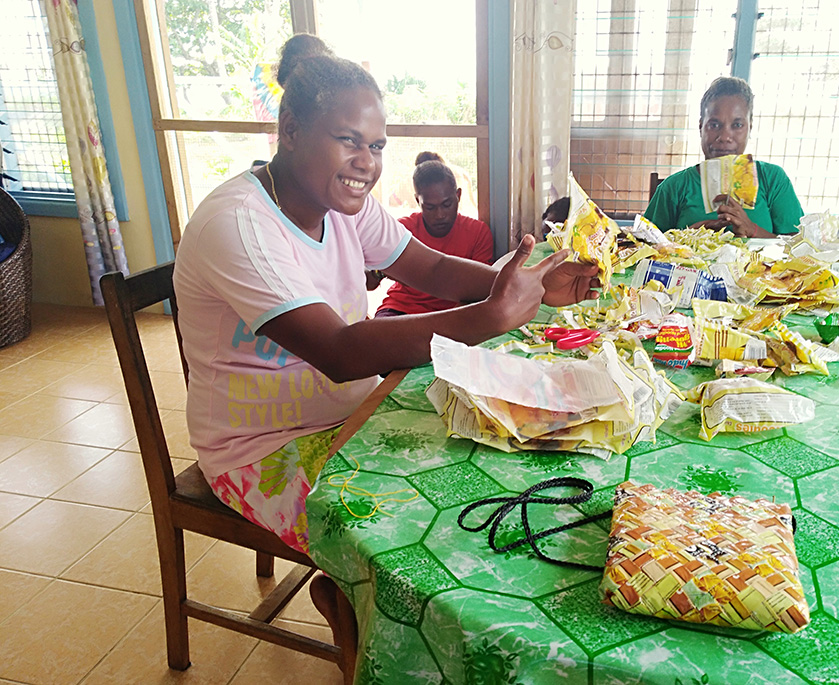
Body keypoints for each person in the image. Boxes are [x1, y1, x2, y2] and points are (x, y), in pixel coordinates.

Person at [172, 35, 598, 634]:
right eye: (348, 140)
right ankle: (361, 615)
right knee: (410, 537)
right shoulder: (238, 224)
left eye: (376, 146)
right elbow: (340, 353)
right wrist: (489, 318)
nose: (366, 163)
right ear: (289, 129)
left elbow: (434, 268)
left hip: (353, 412)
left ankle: (359, 601)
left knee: (478, 472)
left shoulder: (345, 205)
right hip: (262, 447)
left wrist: (527, 282)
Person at [644, 76, 804, 238]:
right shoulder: (674, 187)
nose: (725, 136)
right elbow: (644, 246)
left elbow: (799, 246)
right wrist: (685, 238)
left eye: (737, 125)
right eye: (714, 125)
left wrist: (751, 230)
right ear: (701, 127)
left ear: (750, 128)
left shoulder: (772, 179)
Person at [374, 152, 494, 316]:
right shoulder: (403, 229)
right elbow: (370, 279)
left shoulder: (478, 232)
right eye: (430, 207)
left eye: (447, 204)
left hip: (452, 313)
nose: (440, 215)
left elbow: (480, 292)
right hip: (401, 310)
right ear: (418, 201)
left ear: (458, 196)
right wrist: (377, 271)